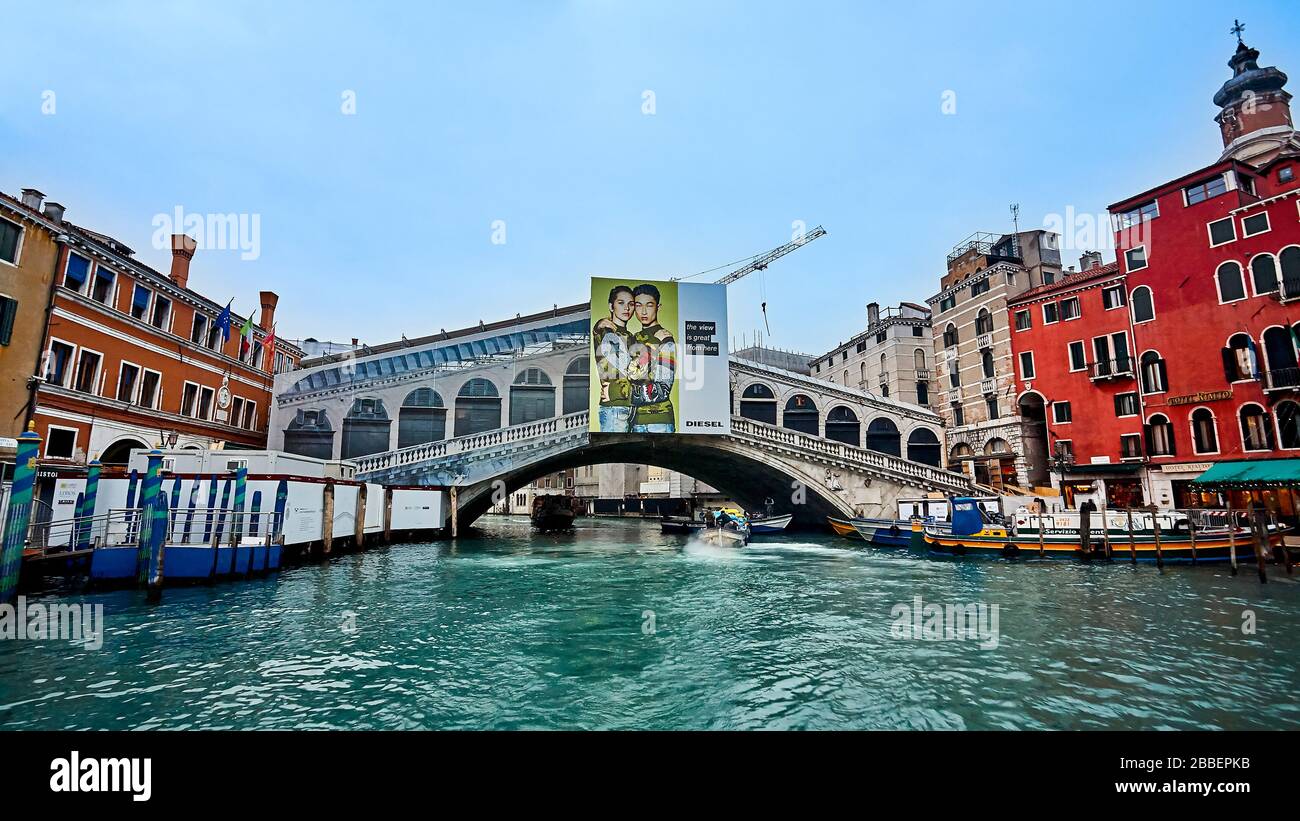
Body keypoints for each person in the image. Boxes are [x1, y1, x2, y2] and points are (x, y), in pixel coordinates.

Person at [627, 283, 676, 433]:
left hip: (659, 420)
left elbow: (663, 389)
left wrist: (624, 395)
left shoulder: (665, 339)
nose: (643, 311)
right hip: (634, 420)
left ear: (658, 307)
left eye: (649, 305)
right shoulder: (634, 338)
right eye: (638, 305)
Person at [593, 285, 635, 432]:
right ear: (611, 306)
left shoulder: (630, 336)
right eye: (621, 303)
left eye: (631, 304)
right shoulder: (605, 330)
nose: (627, 308)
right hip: (613, 407)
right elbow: (625, 364)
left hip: (631, 406)